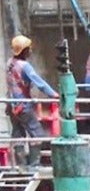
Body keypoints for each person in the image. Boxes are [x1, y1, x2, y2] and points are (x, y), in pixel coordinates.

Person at [8, 36, 58, 169]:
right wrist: (53, 94)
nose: (30, 51)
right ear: (23, 50)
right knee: (37, 134)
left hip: (12, 105)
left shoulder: (10, 63)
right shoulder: (25, 66)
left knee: (18, 133)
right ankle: (34, 165)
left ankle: (21, 166)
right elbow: (39, 82)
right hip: (23, 105)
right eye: (28, 49)